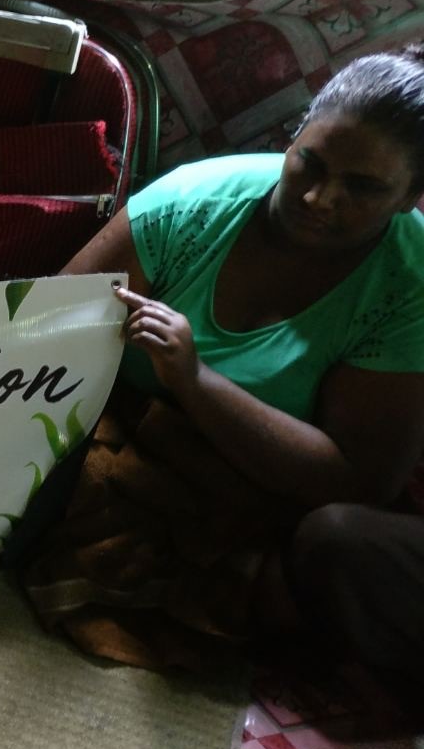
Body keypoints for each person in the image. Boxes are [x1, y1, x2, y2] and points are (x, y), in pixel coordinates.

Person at [23, 44, 424, 672]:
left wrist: (196, 380)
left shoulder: (408, 283)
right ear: (292, 141)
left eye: (363, 187)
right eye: (309, 164)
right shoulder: (193, 206)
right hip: (116, 428)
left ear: (411, 196)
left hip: (260, 486)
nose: (320, 198)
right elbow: (37, 336)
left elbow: (360, 479)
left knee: (311, 559)